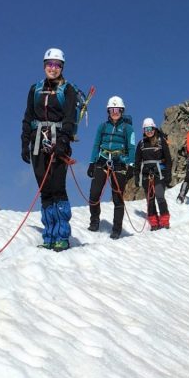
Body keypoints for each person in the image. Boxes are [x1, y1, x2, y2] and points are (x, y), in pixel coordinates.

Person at [21, 48, 78, 251]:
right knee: (44, 190)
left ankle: (62, 236)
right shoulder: (34, 89)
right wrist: (24, 142)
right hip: (37, 142)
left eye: (57, 65)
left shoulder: (67, 90)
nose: (52, 68)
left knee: (57, 187)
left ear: (62, 67)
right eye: (49, 64)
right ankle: (49, 236)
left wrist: (63, 140)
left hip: (58, 141)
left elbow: (70, 117)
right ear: (44, 65)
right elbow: (28, 117)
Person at [87, 96, 135, 239]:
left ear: (122, 111)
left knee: (117, 197)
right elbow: (96, 144)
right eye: (112, 110)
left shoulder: (128, 128)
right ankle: (95, 221)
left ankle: (116, 228)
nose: (115, 112)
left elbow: (131, 147)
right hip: (102, 161)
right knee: (94, 193)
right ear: (108, 111)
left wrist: (131, 164)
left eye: (117, 110)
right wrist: (91, 162)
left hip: (119, 162)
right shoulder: (102, 126)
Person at [133, 117, 173, 230]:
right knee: (150, 199)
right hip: (146, 175)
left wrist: (168, 174)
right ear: (143, 130)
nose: (149, 131)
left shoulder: (161, 142)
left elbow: (168, 159)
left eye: (150, 128)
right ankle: (154, 223)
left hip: (159, 173)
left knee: (160, 196)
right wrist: (137, 177)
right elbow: (137, 162)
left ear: (154, 128)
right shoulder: (141, 144)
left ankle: (165, 221)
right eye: (146, 129)